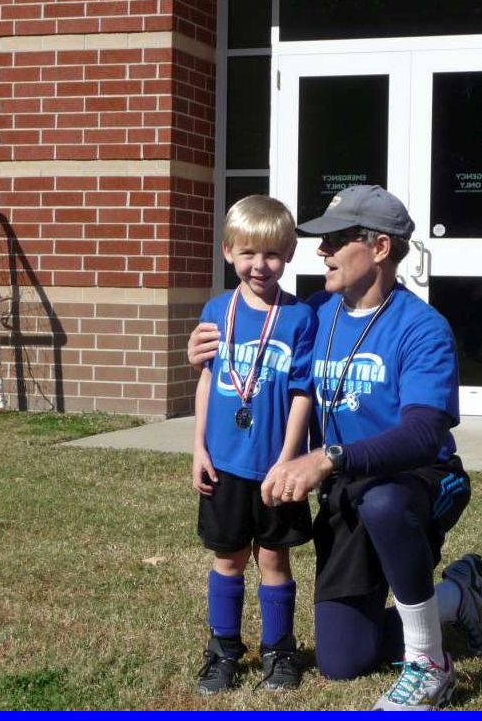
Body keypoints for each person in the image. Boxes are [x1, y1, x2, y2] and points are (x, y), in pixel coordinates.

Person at [188, 185, 482, 710]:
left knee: (384, 502)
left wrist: (328, 457)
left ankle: (429, 663)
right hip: (346, 490)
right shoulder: (314, 315)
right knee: (341, 660)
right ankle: (456, 596)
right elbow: (257, 366)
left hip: (420, 480)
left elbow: (424, 434)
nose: (322, 252)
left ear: (379, 248)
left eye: (336, 240)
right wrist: (200, 355)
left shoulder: (423, 328)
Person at [190, 195, 318, 696]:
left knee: (273, 560)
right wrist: (199, 447)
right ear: (228, 252)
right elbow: (206, 380)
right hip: (224, 463)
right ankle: (223, 649)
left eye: (271, 254)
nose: (259, 265)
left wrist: (289, 459)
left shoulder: (300, 318)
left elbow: (302, 392)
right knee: (228, 559)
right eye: (247, 253)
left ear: (288, 254)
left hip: (275, 466)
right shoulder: (216, 310)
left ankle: (279, 650)